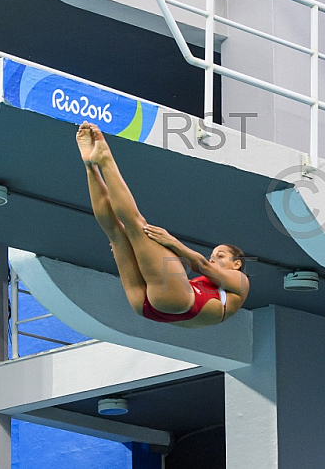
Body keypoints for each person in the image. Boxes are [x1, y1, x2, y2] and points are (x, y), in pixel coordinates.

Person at [76, 121, 249, 327]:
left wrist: (173, 242)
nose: (212, 259)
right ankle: (90, 167)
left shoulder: (241, 282)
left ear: (237, 264)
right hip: (148, 306)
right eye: (213, 255)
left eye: (220, 256)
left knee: (137, 225)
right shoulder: (208, 287)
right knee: (116, 232)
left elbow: (200, 265)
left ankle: (105, 158)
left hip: (174, 303)